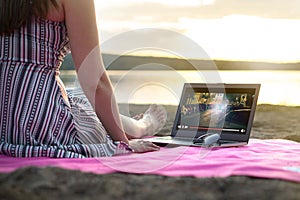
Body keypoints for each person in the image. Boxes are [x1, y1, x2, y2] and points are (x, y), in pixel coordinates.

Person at [0, 0, 166, 158]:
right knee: (83, 100)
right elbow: (95, 82)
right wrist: (123, 144)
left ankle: (137, 125)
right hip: (38, 126)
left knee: (76, 99)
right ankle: (144, 125)